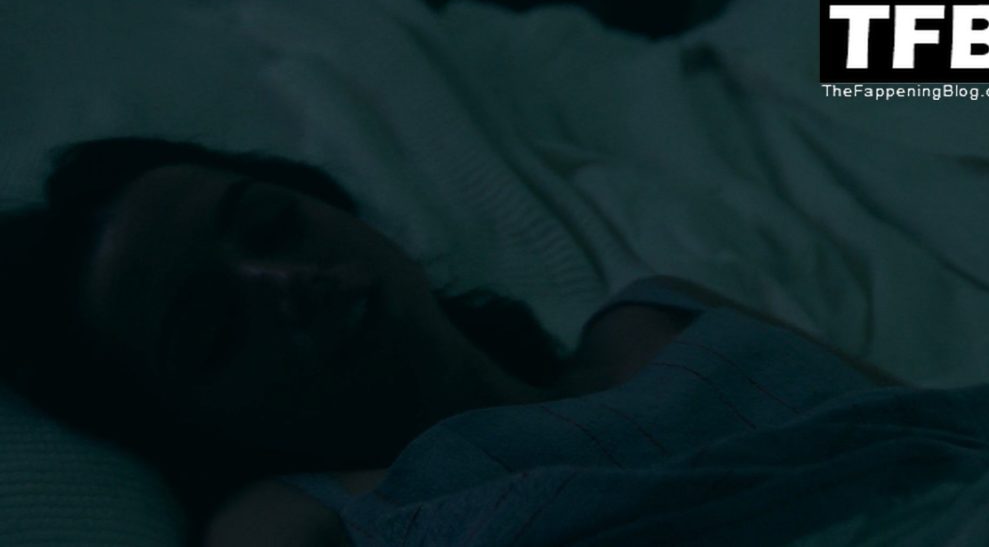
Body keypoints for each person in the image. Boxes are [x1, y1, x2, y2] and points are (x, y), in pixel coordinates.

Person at [0, 137, 903, 546]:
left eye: (273, 225)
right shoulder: (299, 519)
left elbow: (928, 416)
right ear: (188, 425)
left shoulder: (666, 312)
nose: (282, 281)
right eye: (215, 330)